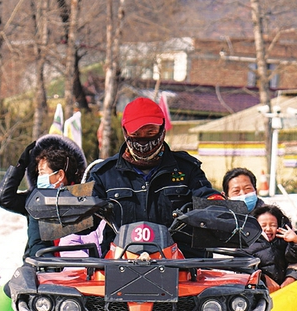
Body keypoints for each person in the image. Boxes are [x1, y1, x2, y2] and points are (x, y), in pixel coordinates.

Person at [87, 97, 223, 255]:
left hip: (182, 266)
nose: (144, 139)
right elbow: (81, 223)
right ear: (125, 132)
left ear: (163, 129)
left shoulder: (188, 169)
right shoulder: (103, 174)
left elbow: (207, 198)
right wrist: (64, 207)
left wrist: (221, 207)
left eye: (150, 132)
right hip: (119, 264)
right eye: (137, 133)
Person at [0, 134, 87, 258]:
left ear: (60, 175)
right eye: (38, 174)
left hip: (76, 269)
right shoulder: (36, 200)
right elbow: (4, 198)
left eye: (43, 173)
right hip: (42, 268)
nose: (40, 178)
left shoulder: (83, 200)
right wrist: (20, 166)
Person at [245, 204, 297, 291]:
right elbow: (245, 268)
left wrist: (296, 241)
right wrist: (263, 278)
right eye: (263, 225)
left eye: (273, 225)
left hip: (285, 290)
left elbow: (296, 258)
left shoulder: (283, 242)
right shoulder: (248, 244)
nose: (268, 229)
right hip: (261, 290)